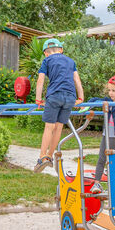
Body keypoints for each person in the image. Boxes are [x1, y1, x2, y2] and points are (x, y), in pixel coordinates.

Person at [32, 38, 84, 172]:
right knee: (59, 127)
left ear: (46, 53)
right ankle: (50, 155)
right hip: (70, 97)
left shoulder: (47, 61)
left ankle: (42, 157)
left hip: (55, 95)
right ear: (61, 50)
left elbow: (40, 80)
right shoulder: (70, 61)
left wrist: (38, 99)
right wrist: (81, 98)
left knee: (49, 126)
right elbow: (76, 79)